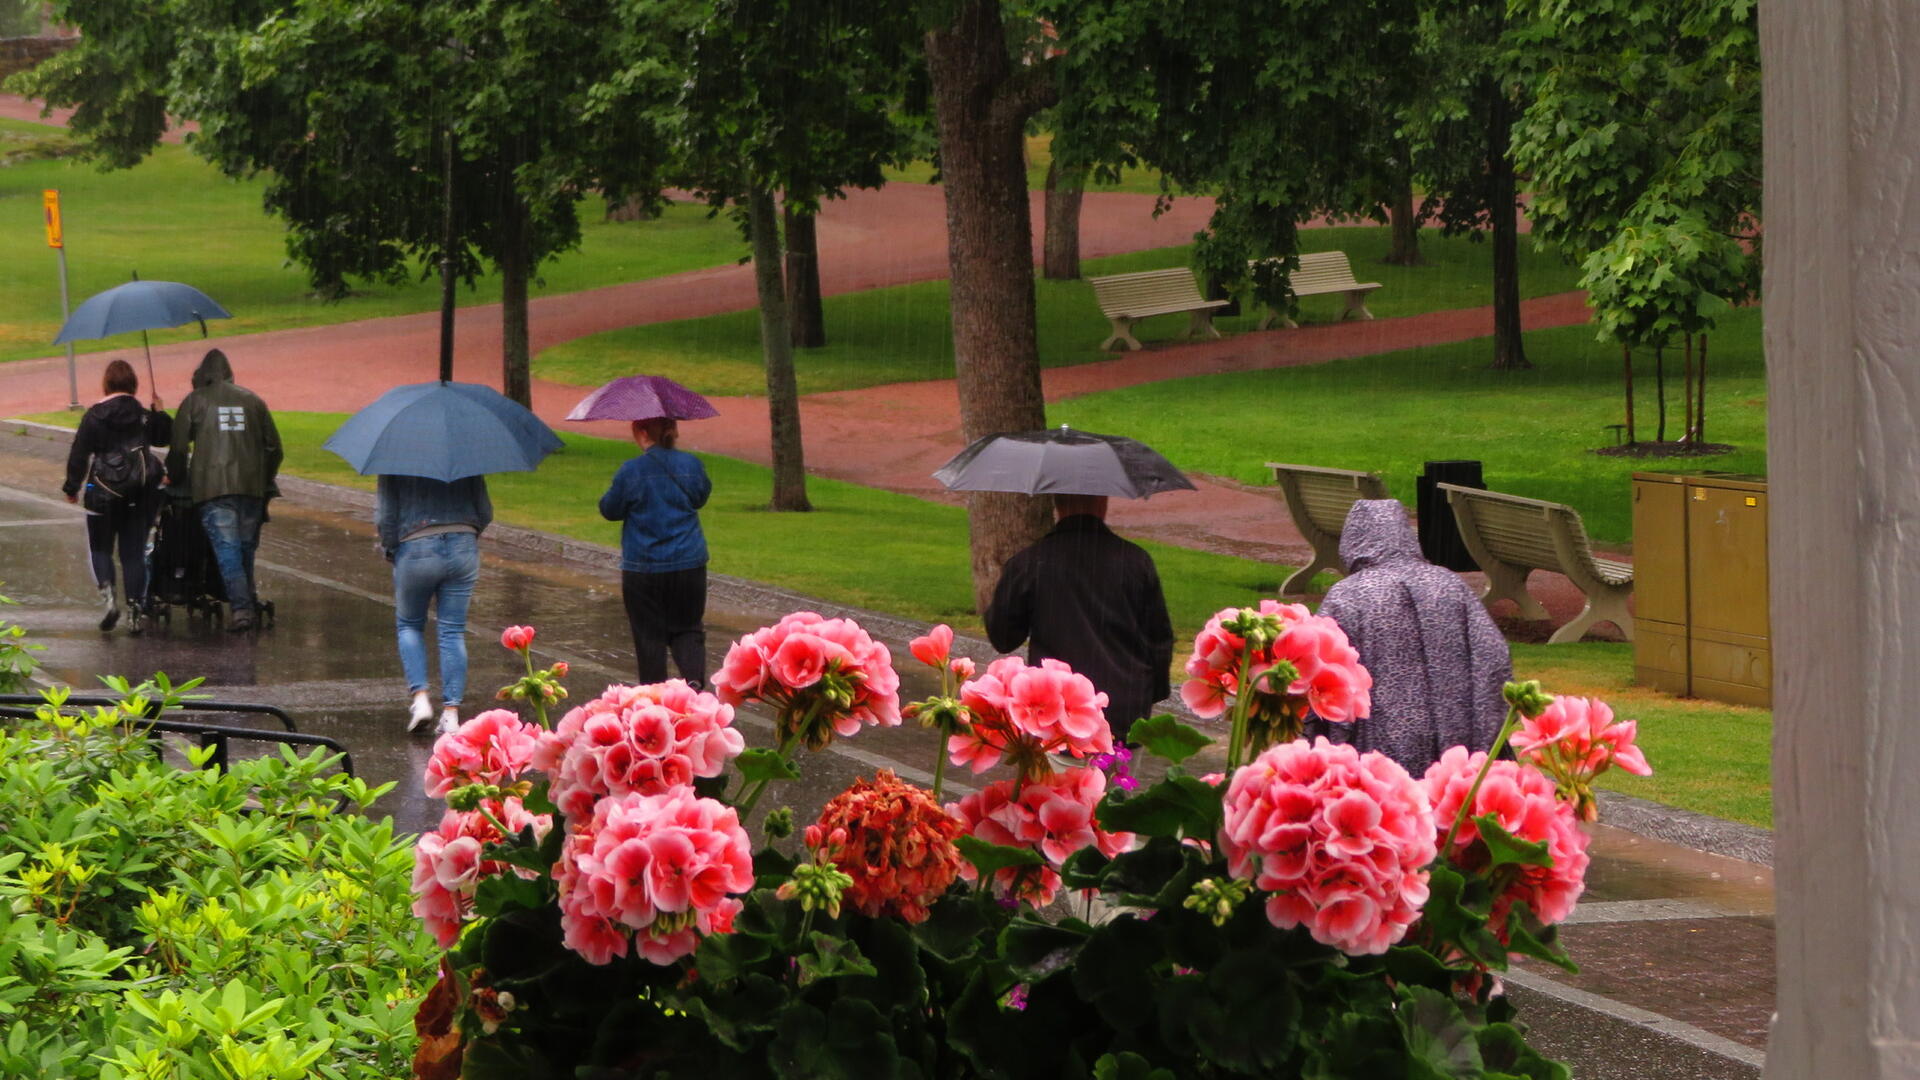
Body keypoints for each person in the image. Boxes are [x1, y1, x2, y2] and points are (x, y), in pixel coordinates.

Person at [1305, 499, 1512, 776]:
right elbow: (1494, 659)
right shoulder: (1450, 584)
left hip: (1379, 748)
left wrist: (1326, 742)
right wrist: (1486, 736)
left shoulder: (1347, 596)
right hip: (1456, 742)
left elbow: (1319, 672)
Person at [985, 493, 1175, 744]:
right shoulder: (1136, 561)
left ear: (1057, 503)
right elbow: (1159, 640)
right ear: (1102, 502)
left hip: (1055, 713)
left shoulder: (1030, 562)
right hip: (1123, 711)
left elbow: (1003, 638)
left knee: (1055, 784)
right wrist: (1145, 696)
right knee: (1116, 783)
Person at [166, 349, 282, 633]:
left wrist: (176, 477)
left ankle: (242, 609)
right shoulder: (254, 401)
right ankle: (247, 601)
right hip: (251, 489)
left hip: (213, 487)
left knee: (227, 549)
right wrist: (262, 476)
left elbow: (179, 449)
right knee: (244, 548)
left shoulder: (194, 401)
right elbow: (274, 448)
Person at [599, 417, 711, 687]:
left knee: (649, 635)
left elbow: (609, 509)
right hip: (689, 562)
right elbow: (701, 496)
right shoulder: (691, 465)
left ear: (642, 432)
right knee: (688, 628)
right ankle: (693, 685)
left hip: (644, 566)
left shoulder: (631, 471)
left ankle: (653, 699)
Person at [62, 359, 172, 634]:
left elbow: (79, 454)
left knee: (100, 548)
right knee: (132, 553)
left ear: (107, 383)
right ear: (133, 384)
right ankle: (136, 607)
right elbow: (163, 439)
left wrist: (72, 487)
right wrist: (160, 412)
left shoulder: (94, 416)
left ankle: (109, 596)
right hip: (140, 492)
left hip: (103, 492)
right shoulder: (143, 415)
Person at [378, 473, 491, 735]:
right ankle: (451, 713)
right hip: (463, 544)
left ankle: (420, 700)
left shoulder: (394, 459)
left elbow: (386, 517)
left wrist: (391, 549)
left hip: (415, 544)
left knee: (409, 624)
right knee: (452, 630)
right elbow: (484, 510)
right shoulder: (466, 457)